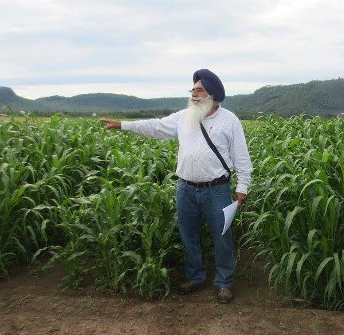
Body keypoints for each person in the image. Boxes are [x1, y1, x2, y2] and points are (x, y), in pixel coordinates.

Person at [100, 69, 253, 304]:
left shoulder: (229, 120)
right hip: (186, 188)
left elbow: (241, 157)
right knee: (188, 234)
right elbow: (156, 126)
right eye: (192, 89)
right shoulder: (184, 116)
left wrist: (242, 187)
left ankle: (224, 282)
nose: (193, 94)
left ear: (212, 94)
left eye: (199, 90)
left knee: (222, 236)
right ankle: (195, 277)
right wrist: (124, 125)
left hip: (217, 189)